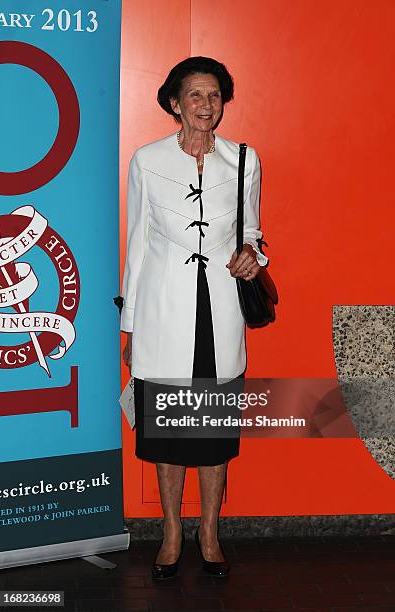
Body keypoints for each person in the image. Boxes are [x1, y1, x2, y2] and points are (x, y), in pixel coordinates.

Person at [120, 56, 269, 579]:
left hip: (221, 310)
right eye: (196, 96)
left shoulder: (244, 160)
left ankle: (209, 531)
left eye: (215, 96)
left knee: (211, 435)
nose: (207, 105)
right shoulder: (146, 160)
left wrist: (255, 255)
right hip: (164, 313)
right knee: (167, 432)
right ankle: (168, 533)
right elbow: (137, 245)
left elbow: (252, 231)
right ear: (174, 103)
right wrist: (131, 326)